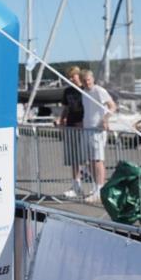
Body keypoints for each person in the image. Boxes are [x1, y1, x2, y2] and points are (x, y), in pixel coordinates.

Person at [79, 69, 116, 204]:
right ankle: (96, 187)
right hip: (87, 129)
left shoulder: (99, 90)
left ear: (92, 79)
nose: (87, 83)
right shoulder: (84, 93)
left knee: (97, 160)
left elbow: (112, 106)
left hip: (98, 129)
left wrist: (105, 119)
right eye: (84, 81)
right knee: (88, 160)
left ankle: (100, 190)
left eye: (88, 80)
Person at [59, 67, 87, 198]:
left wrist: (85, 122)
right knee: (73, 157)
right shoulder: (67, 91)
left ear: (78, 76)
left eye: (73, 76)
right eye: (69, 77)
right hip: (70, 124)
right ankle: (76, 185)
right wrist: (61, 120)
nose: (70, 79)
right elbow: (65, 107)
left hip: (83, 125)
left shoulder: (85, 89)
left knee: (86, 156)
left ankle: (95, 186)